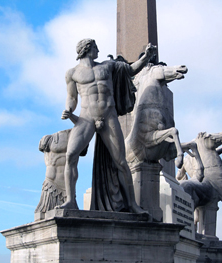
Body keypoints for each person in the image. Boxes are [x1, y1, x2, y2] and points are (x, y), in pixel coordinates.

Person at [59, 38, 156, 213]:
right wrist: (68, 109)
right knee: (71, 156)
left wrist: (146, 57)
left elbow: (131, 70)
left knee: (120, 161)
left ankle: (132, 204)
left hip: (108, 115)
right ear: (87, 49)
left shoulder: (108, 66)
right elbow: (72, 97)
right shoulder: (72, 73)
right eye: (95, 47)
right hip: (86, 117)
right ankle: (70, 200)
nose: (98, 50)